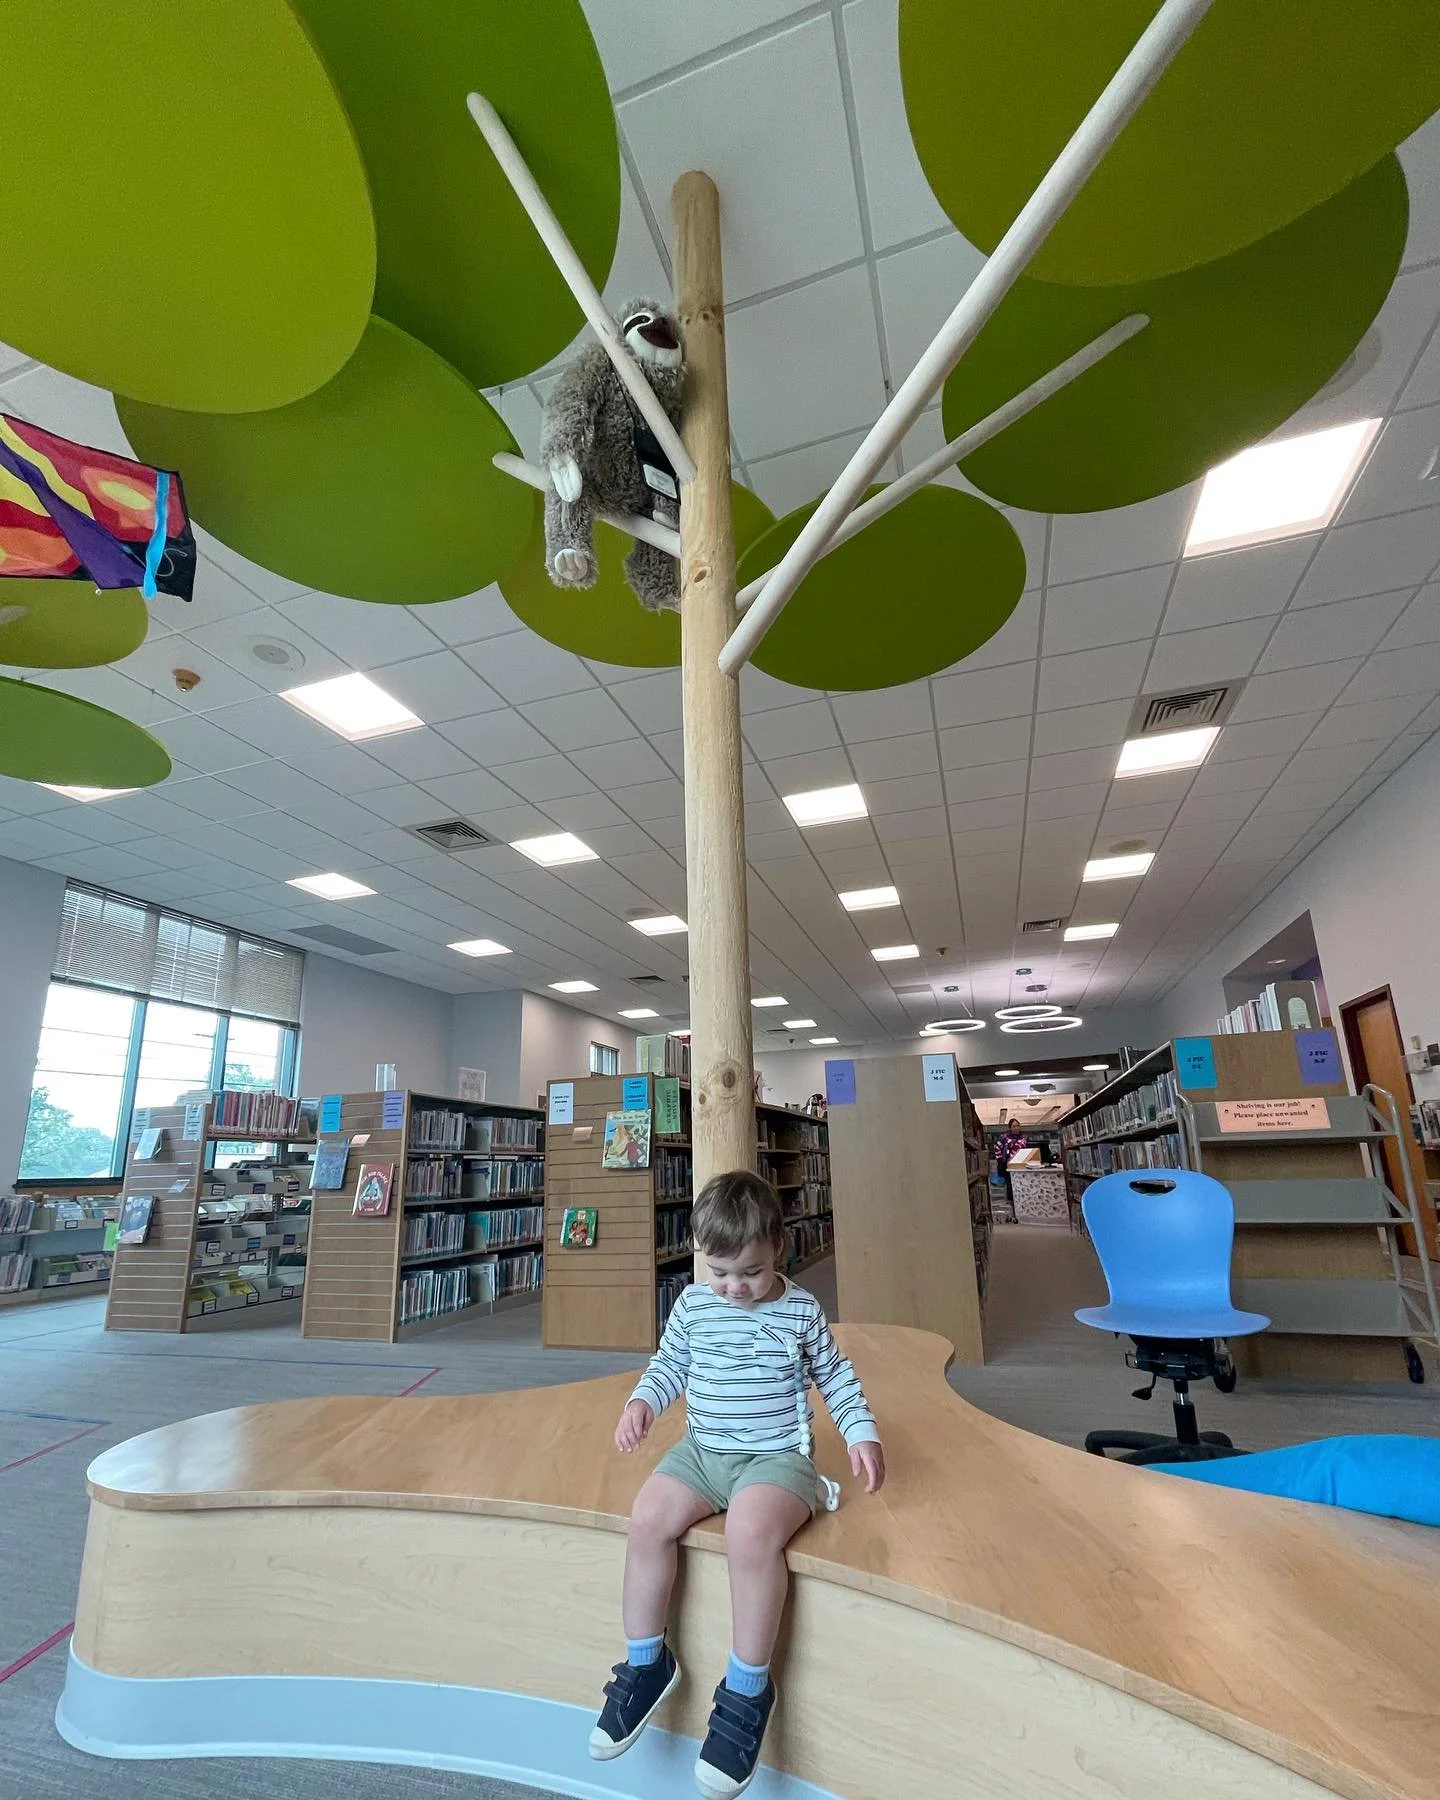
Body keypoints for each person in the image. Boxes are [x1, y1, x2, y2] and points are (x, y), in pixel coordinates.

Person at [590, 1170, 885, 1797]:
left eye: (749, 1272)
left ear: (778, 1246)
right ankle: (647, 1663)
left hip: (777, 1460)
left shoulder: (799, 1312)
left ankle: (747, 1692)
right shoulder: (696, 1303)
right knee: (645, 1519)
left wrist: (861, 1432)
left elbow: (835, 1378)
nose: (734, 1288)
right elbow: (670, 1363)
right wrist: (642, 1403)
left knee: (750, 1537)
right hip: (703, 1452)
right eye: (720, 1272)